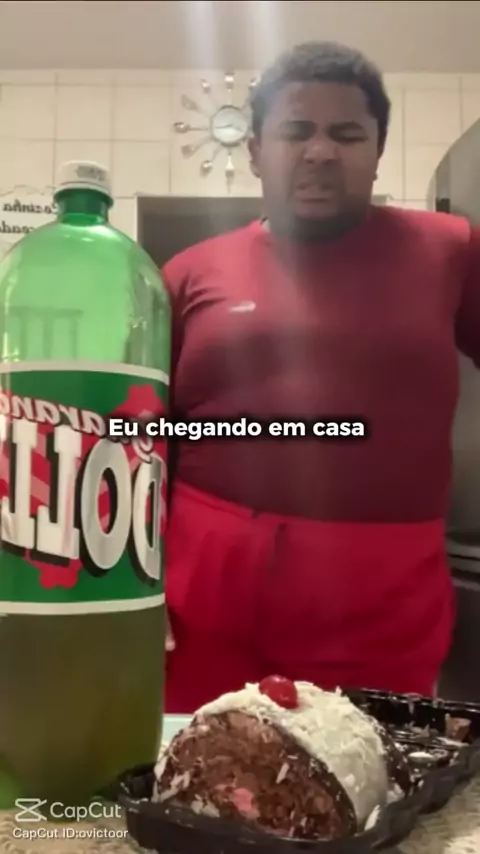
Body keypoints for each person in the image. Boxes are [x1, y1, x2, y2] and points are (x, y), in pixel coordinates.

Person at [161, 41, 480, 713]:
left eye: (347, 134)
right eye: (296, 131)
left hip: (380, 597)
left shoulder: (451, 250)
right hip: (203, 585)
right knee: (195, 758)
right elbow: (139, 435)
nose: (320, 151)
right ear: (257, 151)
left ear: (378, 148)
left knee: (368, 766)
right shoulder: (188, 272)